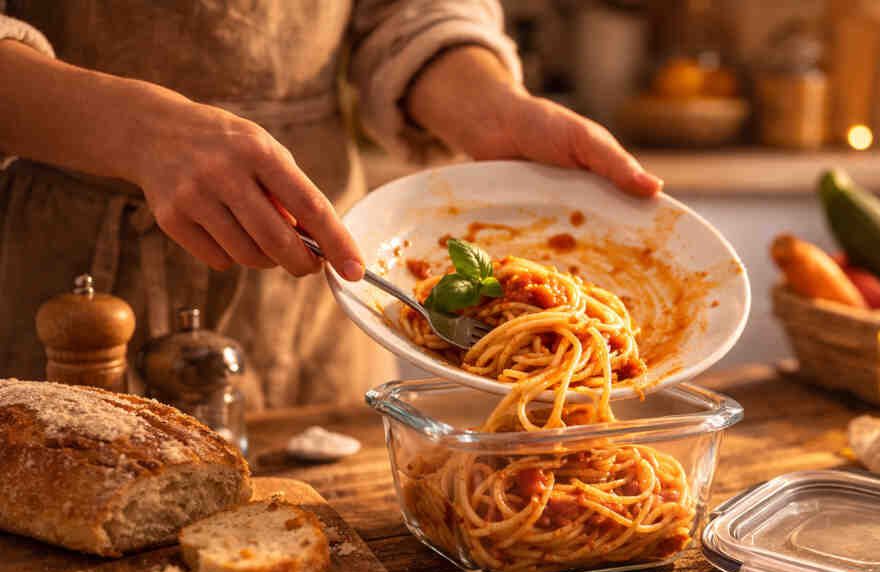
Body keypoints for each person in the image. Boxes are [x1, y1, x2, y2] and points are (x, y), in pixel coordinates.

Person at [0, 1, 662, 408]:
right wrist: (136, 130)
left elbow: (406, 10)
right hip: (60, 278)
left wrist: (491, 109)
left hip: (321, 276)